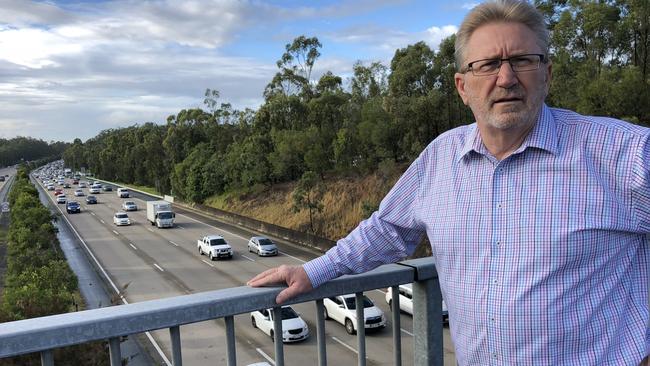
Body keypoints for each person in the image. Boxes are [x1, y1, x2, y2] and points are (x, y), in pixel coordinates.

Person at [248, 0, 649, 364]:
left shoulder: (624, 154)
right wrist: (315, 271)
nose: (506, 77)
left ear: (547, 73)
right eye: (488, 64)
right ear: (463, 87)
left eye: (523, 60)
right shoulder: (441, 157)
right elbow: (388, 228)